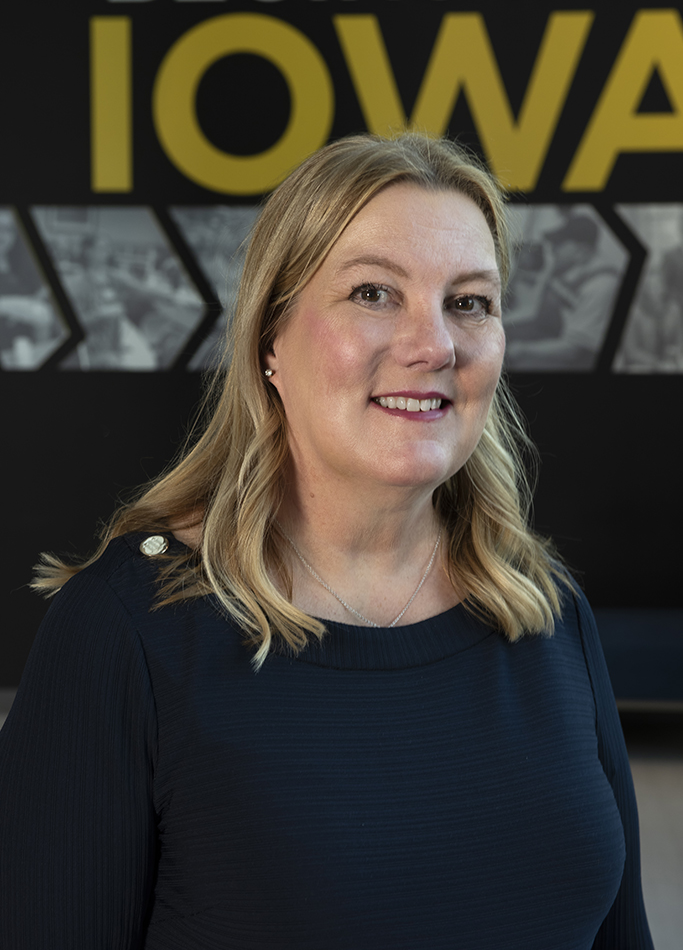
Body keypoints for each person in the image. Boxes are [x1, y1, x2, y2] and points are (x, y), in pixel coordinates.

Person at [0, 133, 653, 949]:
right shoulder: (127, 631)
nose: (434, 345)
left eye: (469, 301)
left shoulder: (543, 606)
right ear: (270, 339)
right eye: (374, 293)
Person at [505, 214, 623, 371]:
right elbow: (533, 310)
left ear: (580, 249)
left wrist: (523, 350)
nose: (552, 250)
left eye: (559, 245)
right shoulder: (562, 271)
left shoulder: (602, 286)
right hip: (549, 335)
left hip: (579, 359)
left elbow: (572, 350)